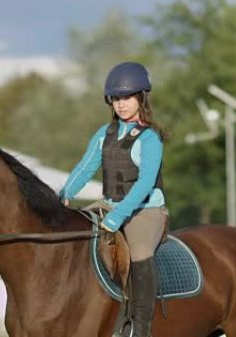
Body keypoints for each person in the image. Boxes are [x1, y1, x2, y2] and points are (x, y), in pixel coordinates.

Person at [59, 61, 167, 337]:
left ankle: (141, 325)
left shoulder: (150, 139)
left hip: (145, 211)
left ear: (141, 97)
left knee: (140, 252)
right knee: (75, 229)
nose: (121, 104)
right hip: (108, 204)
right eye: (116, 98)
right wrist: (65, 194)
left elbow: (144, 184)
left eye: (127, 97)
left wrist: (118, 216)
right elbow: (85, 167)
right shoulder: (103, 134)